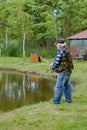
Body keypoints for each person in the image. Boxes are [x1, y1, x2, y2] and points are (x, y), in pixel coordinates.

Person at [50, 38, 74, 104]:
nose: (56, 46)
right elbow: (62, 61)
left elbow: (56, 63)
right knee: (66, 86)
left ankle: (56, 102)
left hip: (63, 72)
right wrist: (54, 64)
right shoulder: (66, 50)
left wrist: (52, 66)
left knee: (59, 87)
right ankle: (68, 100)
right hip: (68, 71)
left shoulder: (60, 52)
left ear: (59, 45)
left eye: (56, 45)